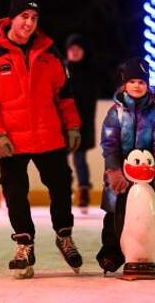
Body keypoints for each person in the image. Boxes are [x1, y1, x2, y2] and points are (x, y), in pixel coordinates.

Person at [0, 0, 83, 279]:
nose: (29, 23)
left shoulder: (50, 52)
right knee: (14, 190)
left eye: (34, 18)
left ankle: (64, 236)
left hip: (49, 135)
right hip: (12, 139)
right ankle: (24, 243)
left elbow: (65, 95)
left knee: (61, 185)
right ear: (12, 18)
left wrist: (72, 126)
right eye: (24, 17)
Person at [95, 57, 155, 276]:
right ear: (124, 84)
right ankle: (111, 253)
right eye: (132, 81)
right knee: (114, 213)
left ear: (147, 85)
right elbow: (109, 143)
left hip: (148, 171)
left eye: (141, 82)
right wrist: (113, 171)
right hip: (120, 172)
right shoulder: (116, 113)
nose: (137, 86)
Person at [64, 34, 99, 213]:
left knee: (79, 159)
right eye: (72, 49)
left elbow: (89, 101)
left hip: (82, 124)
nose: (75, 52)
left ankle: (83, 191)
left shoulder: (90, 71)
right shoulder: (62, 70)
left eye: (78, 49)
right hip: (62, 123)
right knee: (60, 161)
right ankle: (64, 191)